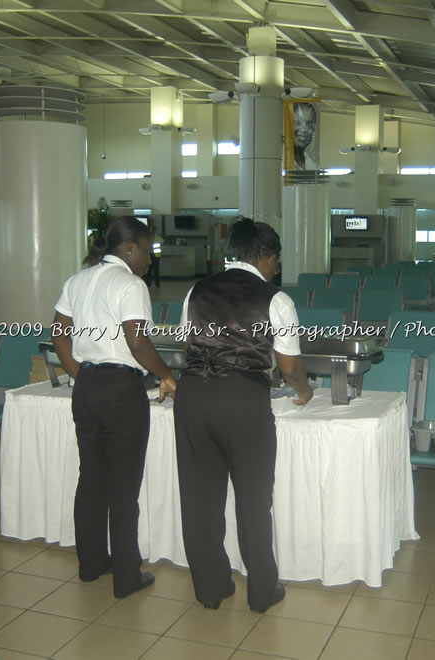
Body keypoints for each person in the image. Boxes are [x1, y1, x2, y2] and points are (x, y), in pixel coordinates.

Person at [173, 218, 313, 612]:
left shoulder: (197, 291)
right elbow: (289, 367)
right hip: (242, 400)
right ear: (265, 256)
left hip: (192, 396)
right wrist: (305, 389)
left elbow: (187, 346)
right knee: (253, 497)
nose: (275, 268)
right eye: (276, 260)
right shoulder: (276, 299)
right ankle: (262, 591)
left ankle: (211, 588)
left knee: (199, 498)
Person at [51, 216, 177, 599]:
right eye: (147, 251)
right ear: (129, 247)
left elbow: (59, 334)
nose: (150, 260)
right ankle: (126, 577)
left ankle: (91, 565)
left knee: (91, 480)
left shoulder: (77, 280)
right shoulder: (130, 284)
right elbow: (137, 343)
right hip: (122, 390)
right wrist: (167, 376)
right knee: (123, 488)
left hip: (87, 387)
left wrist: (82, 373)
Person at [291, 102, 318, 171]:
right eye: (297, 123)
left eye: (309, 124)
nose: (304, 129)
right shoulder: (281, 162)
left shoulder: (312, 165)